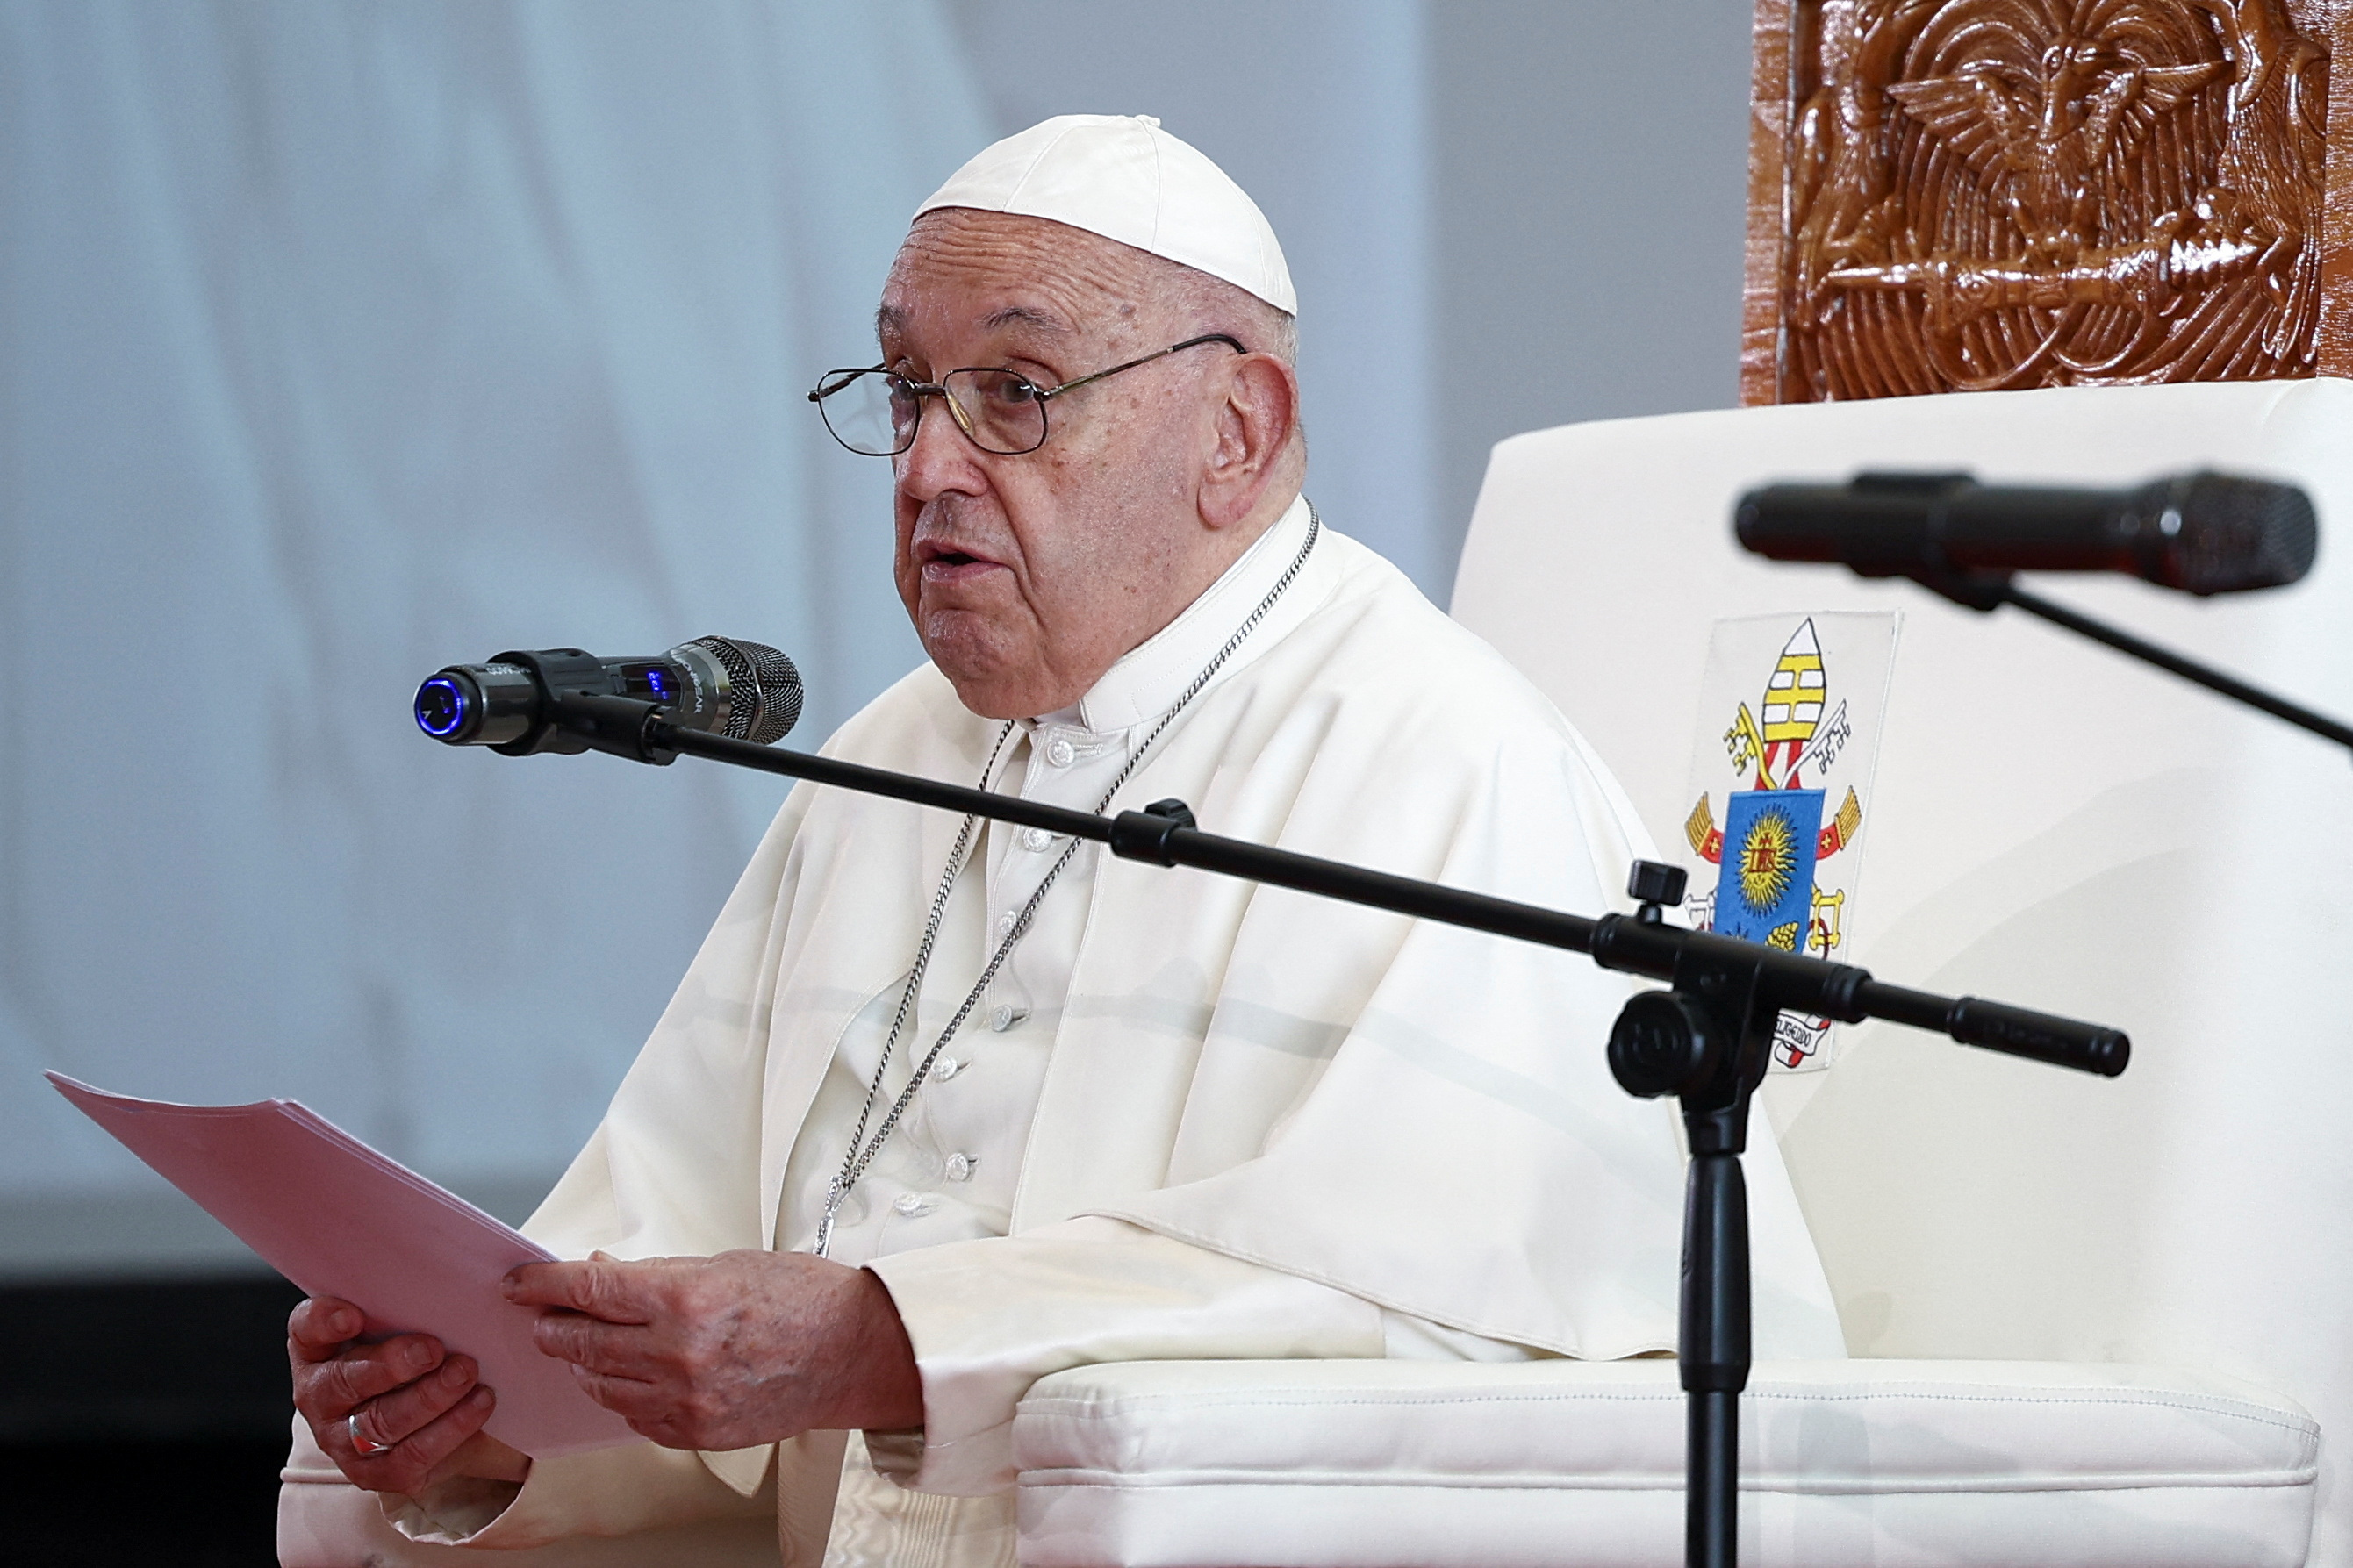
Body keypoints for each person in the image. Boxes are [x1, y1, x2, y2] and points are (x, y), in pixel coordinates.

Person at [277, 115, 1841, 1567]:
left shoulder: (1433, 754)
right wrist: (477, 1402)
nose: (928, 469)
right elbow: (666, 1269)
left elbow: (1447, 1328)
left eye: (1016, 396)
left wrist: (883, 1340)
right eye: (903, 395)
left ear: (1240, 427)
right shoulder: (898, 753)